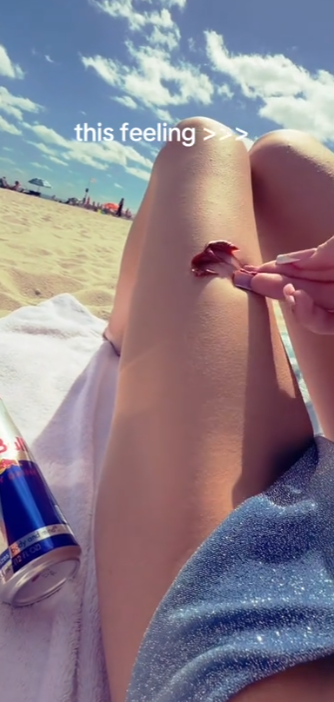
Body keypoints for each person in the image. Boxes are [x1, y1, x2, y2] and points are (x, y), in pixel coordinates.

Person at [96, 116, 334, 702]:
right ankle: (130, 327)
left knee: (202, 141)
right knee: (285, 156)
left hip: (255, 642)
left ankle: (124, 329)